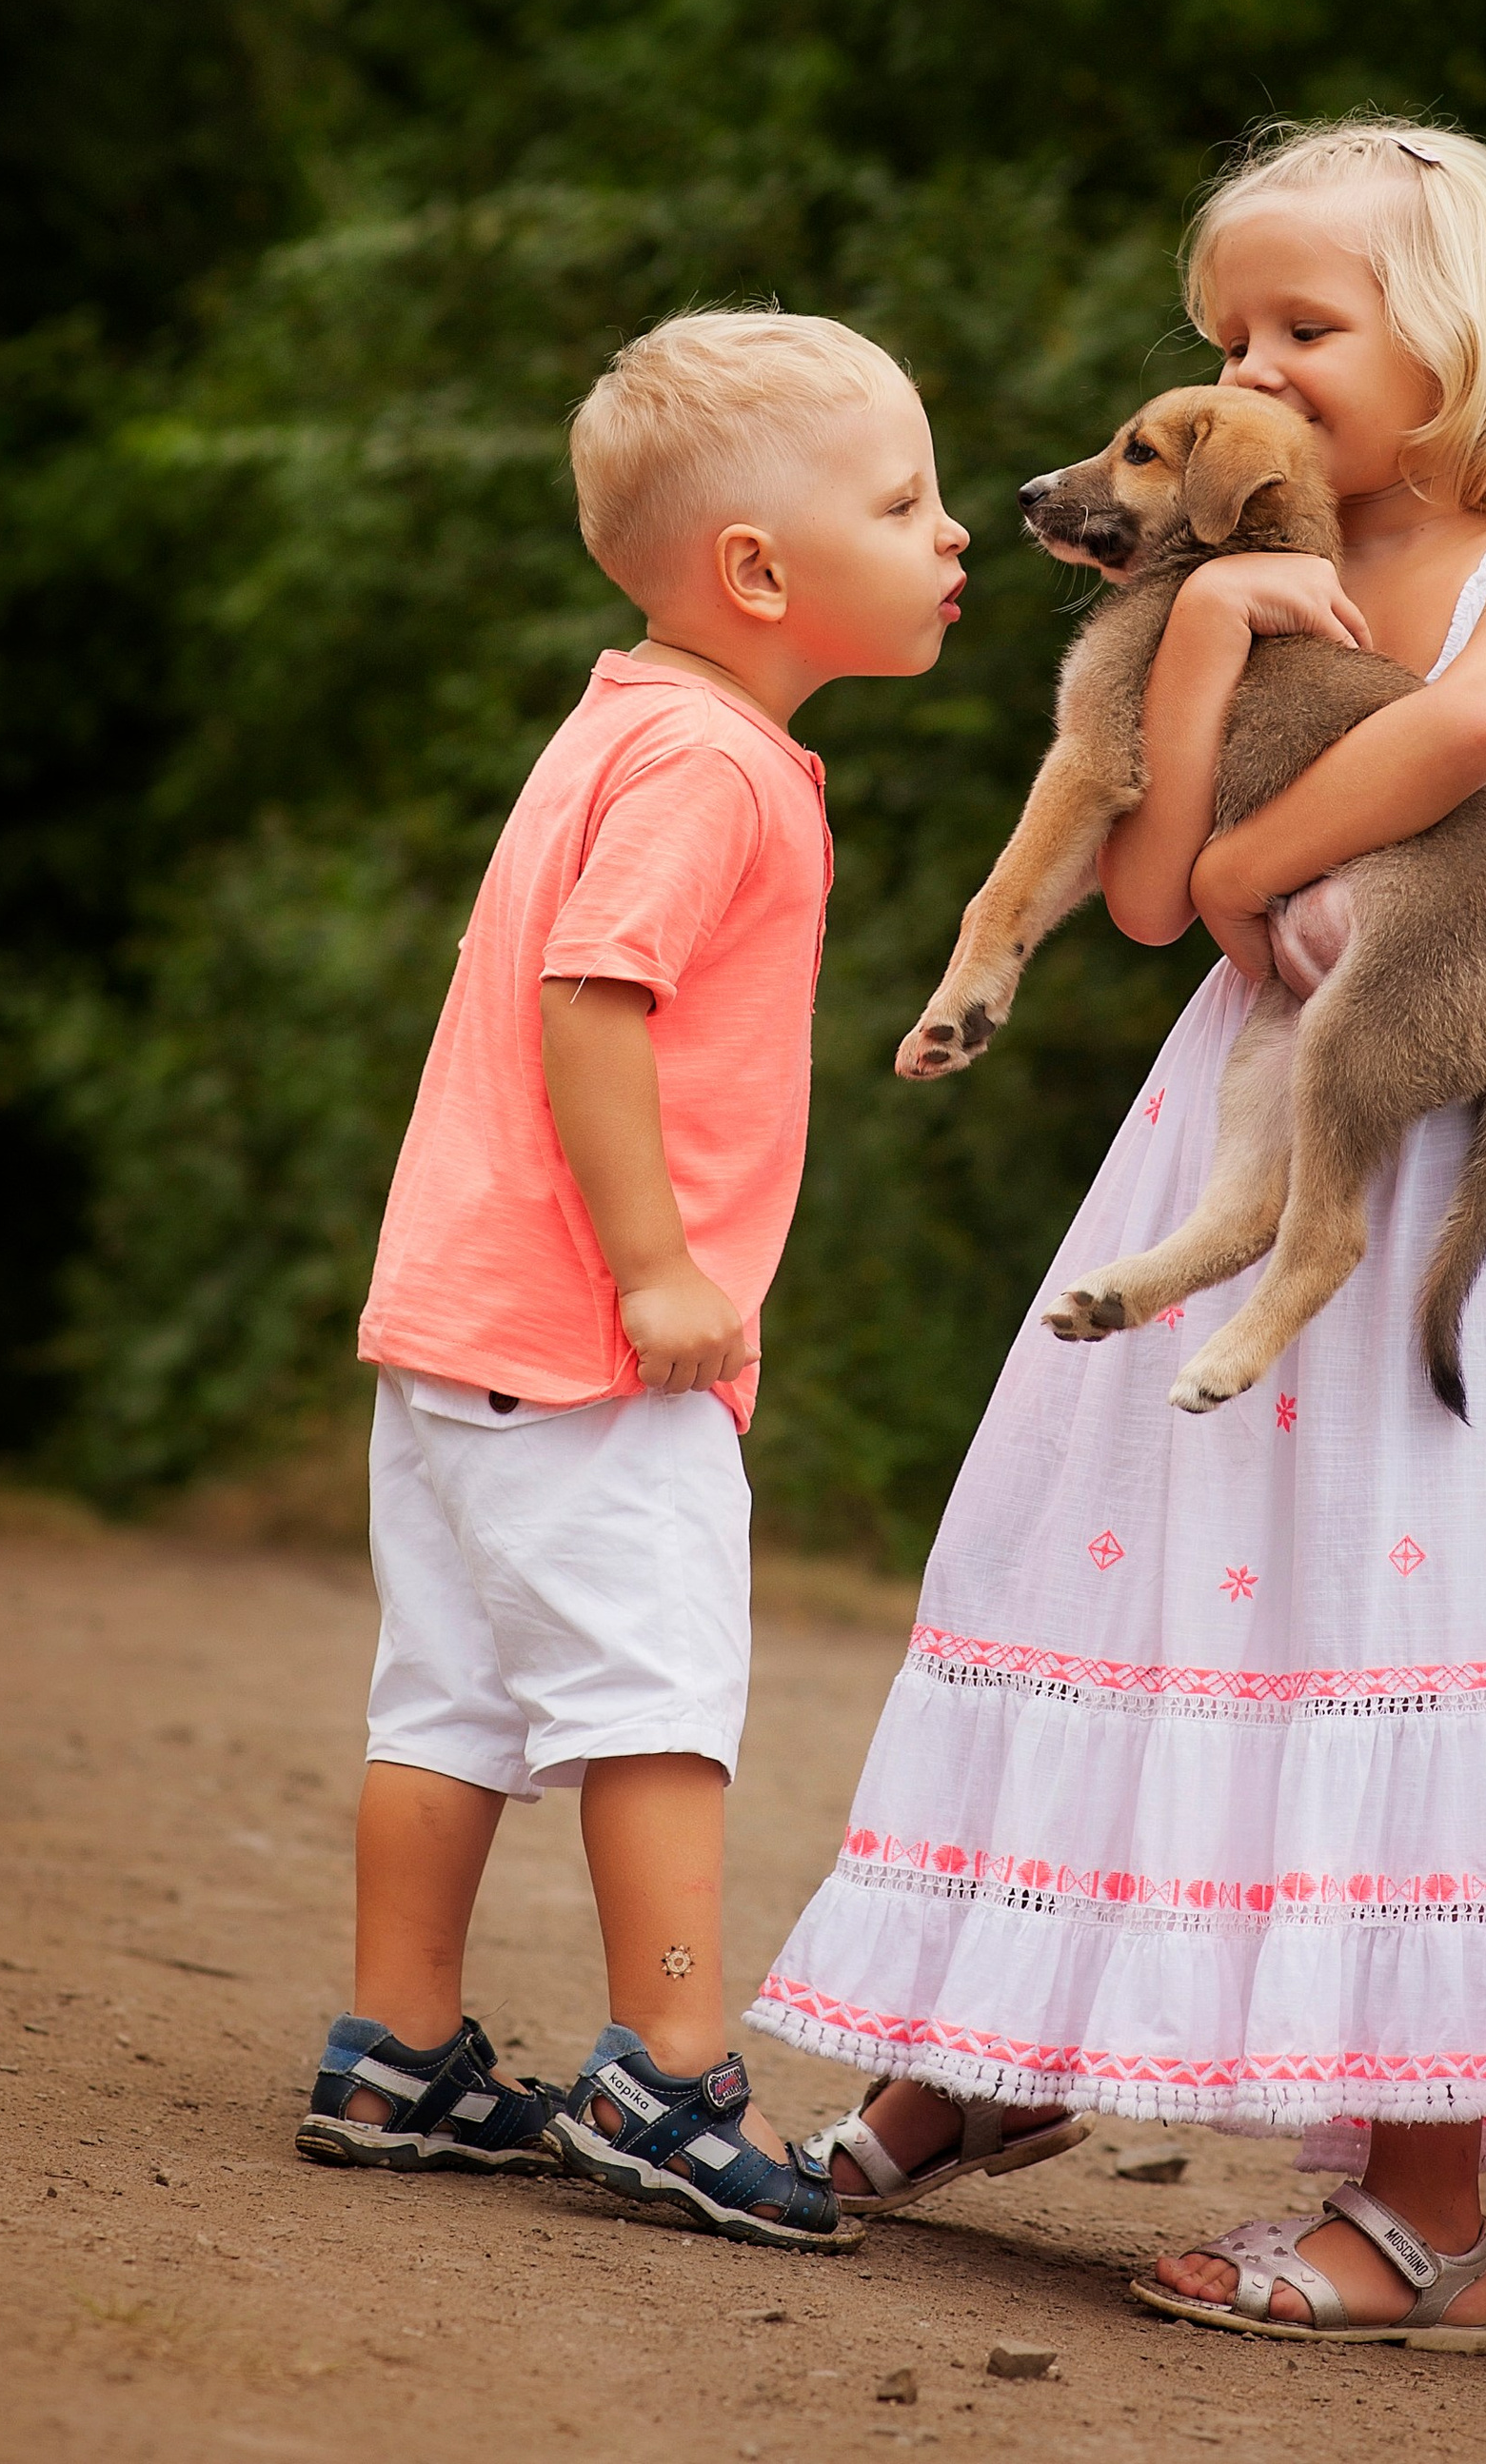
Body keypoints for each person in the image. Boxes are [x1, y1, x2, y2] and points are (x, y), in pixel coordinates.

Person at [751, 117, 1486, 2344]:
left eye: (1309, 329)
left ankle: (1420, 2204)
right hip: (1226, 1117)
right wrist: (1195, 630)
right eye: (1226, 338)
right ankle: (984, 2055)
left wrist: (1234, 869)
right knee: (1131, 1537)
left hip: (1442, 1111)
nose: (1257, 373)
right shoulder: (1209, 574)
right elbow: (1127, 890)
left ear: (1456, 335)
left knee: (1411, 1590)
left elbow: (1478, 724)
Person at [298, 307, 969, 2247]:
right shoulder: (718, 768)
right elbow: (594, 998)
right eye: (903, 496)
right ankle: (668, 2077)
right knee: (653, 1699)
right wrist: (662, 1270)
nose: (946, 534)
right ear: (756, 570)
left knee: (444, 1697)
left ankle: (398, 2047)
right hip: (591, 1339)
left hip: (461, 1317)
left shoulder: (624, 722)